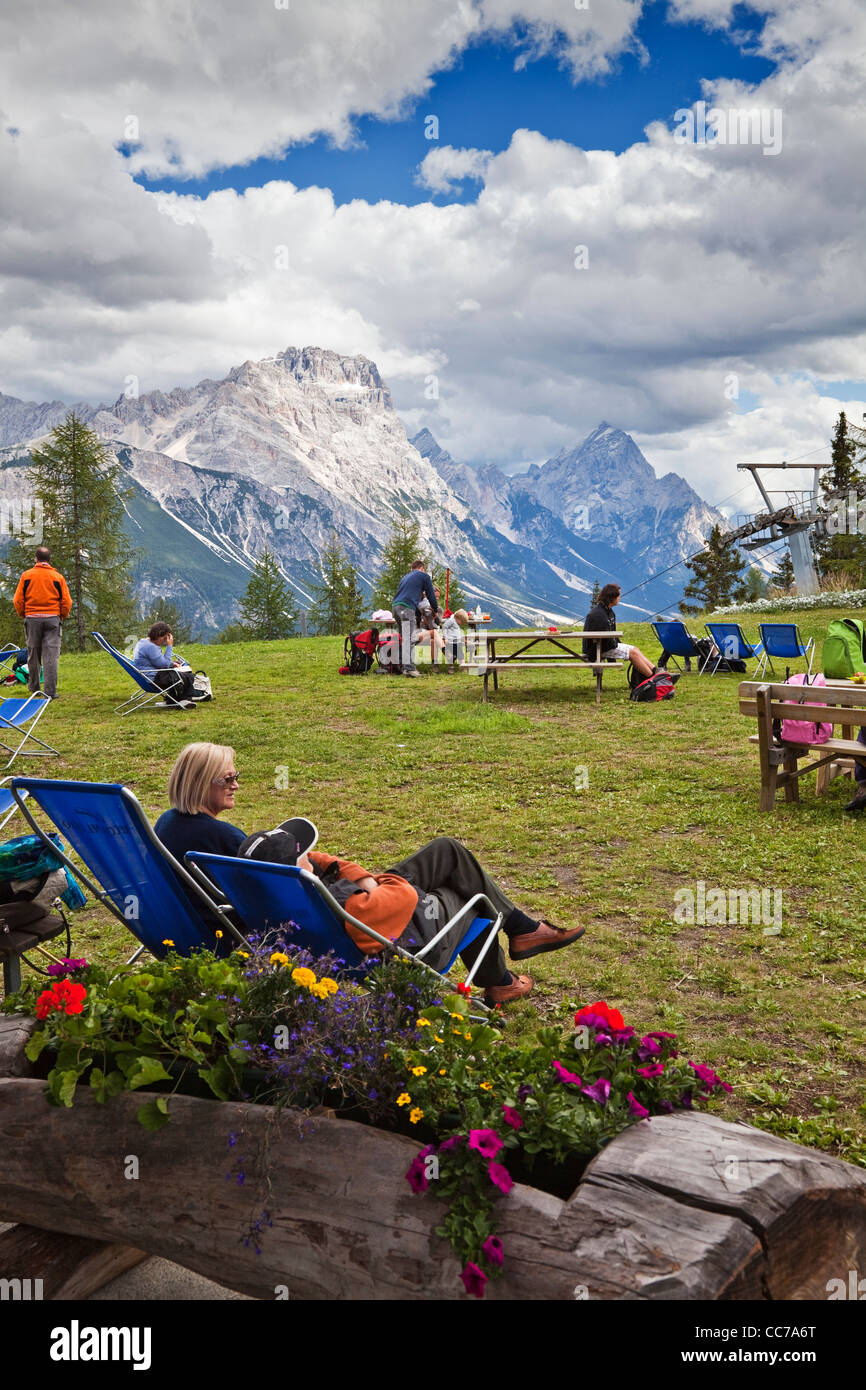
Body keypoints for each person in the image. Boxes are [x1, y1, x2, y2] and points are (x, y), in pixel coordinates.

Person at [155, 742, 586, 1006]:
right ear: (201, 782)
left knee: (446, 853)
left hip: (333, 915)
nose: (236, 783)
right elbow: (387, 899)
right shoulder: (225, 842)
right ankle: (513, 953)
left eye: (237, 775)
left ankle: (517, 950)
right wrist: (370, 882)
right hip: (361, 932)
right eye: (227, 777)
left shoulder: (169, 826)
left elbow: (282, 879)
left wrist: (333, 868)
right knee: (467, 890)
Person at [583, 582, 678, 684]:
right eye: (618, 595)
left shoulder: (608, 612)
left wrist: (619, 645)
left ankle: (657, 672)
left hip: (606, 646)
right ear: (612, 597)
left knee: (635, 650)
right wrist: (618, 646)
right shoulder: (598, 615)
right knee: (632, 653)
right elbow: (599, 639)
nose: (620, 598)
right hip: (598, 649)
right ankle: (655, 679)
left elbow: (610, 635)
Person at [13, 545, 72, 700]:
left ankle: (33, 688)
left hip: (32, 619)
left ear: (36, 559)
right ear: (49, 560)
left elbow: (18, 600)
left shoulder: (27, 576)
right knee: (50, 656)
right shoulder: (57, 577)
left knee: (33, 654)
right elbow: (66, 601)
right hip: (52, 619)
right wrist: (61, 616)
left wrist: (24, 614)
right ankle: (50, 692)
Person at [132, 621, 197, 706]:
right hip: (154, 679)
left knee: (179, 668)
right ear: (159, 636)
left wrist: (172, 664)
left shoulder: (144, 642)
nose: (165, 641)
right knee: (187, 675)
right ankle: (185, 699)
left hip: (148, 676)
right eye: (165, 638)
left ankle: (171, 699)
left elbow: (159, 662)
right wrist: (169, 646)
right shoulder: (151, 647)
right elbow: (164, 665)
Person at [392, 559, 439, 677]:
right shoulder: (424, 576)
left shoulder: (405, 577)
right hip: (407, 608)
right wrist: (435, 609)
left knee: (404, 637)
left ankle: (403, 667)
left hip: (395, 607)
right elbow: (430, 594)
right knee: (410, 638)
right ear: (422, 568)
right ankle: (410, 669)